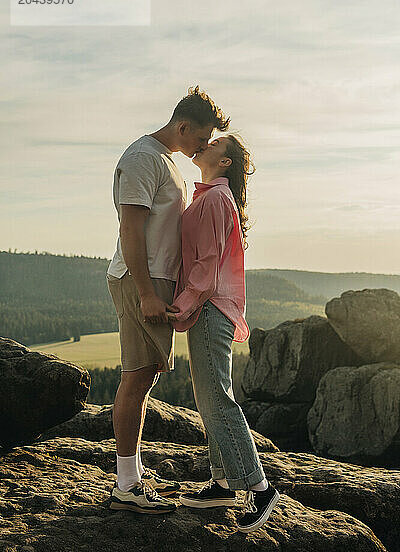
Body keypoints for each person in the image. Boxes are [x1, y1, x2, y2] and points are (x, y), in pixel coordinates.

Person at [106, 86, 230, 514]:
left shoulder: (166, 162)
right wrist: (144, 292)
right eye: (201, 138)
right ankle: (127, 485)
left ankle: (132, 475)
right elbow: (130, 229)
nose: (202, 146)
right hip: (142, 280)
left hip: (158, 282)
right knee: (138, 376)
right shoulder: (142, 158)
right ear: (182, 126)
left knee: (146, 376)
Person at [169, 134, 280, 533]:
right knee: (209, 396)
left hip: (209, 307)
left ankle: (259, 487)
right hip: (209, 307)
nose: (204, 143)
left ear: (225, 162)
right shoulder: (209, 196)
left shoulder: (215, 199)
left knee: (216, 396)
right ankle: (221, 483)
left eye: (214, 143)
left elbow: (208, 265)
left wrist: (180, 305)